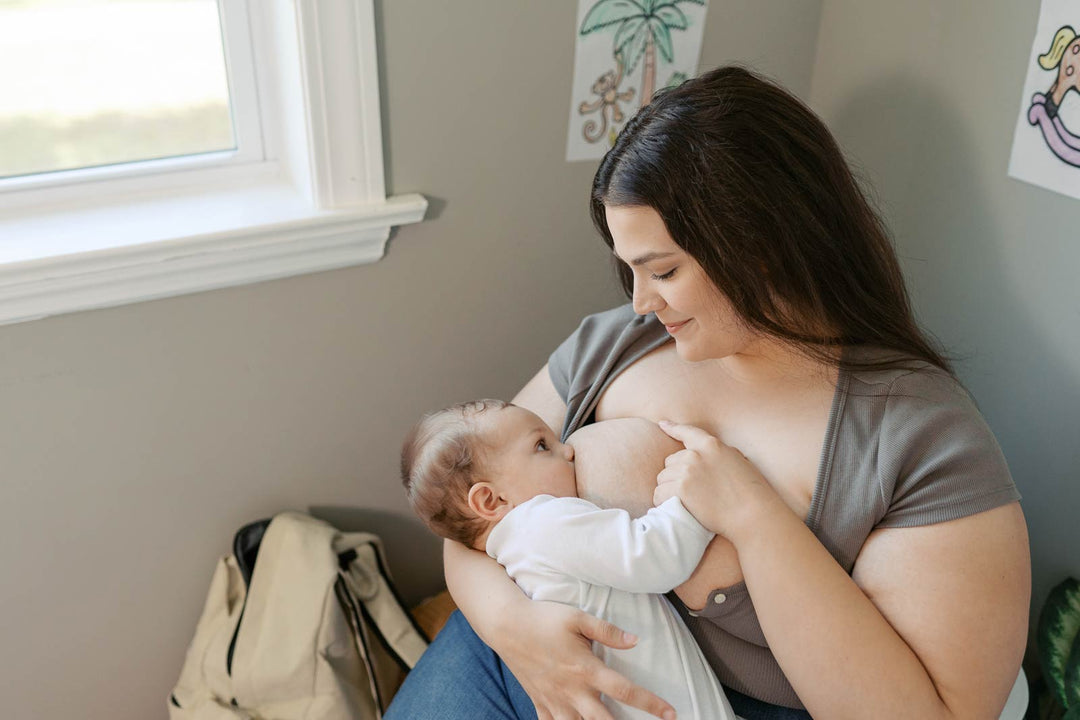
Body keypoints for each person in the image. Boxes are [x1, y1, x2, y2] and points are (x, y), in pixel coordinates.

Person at [387, 65, 1031, 720]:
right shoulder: (618, 342)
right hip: (525, 653)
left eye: (662, 270)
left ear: (762, 246)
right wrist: (517, 633)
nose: (639, 302)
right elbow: (468, 516)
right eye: (630, 270)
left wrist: (755, 517)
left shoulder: (918, 439)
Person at [400, 399, 737, 720]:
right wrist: (696, 495)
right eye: (542, 446)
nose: (568, 449)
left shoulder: (511, 556)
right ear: (491, 499)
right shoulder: (541, 523)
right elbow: (655, 556)